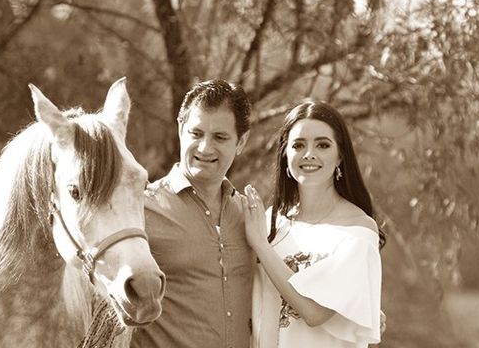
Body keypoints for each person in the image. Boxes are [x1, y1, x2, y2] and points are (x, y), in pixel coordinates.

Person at [242, 99, 385, 348]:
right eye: (298, 145)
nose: (309, 154)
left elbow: (314, 312)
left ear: (340, 156)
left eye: (322, 145)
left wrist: (260, 246)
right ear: (286, 154)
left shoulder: (358, 232)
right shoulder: (270, 222)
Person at [130, 79, 256, 348]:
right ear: (180, 129)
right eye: (196, 133)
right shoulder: (141, 212)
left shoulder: (250, 215)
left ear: (241, 141)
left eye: (220, 137)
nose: (204, 148)